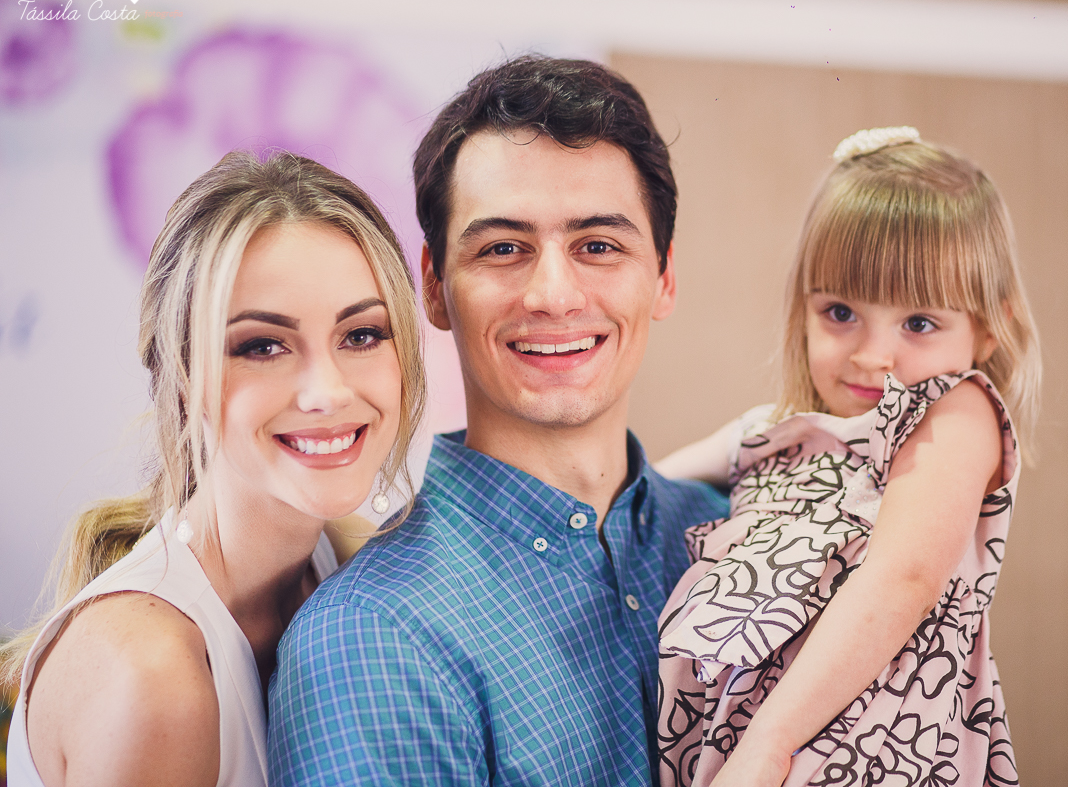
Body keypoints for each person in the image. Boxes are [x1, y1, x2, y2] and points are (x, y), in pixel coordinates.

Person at [267, 55, 728, 786]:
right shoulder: (375, 640)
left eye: (598, 246)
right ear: (435, 287)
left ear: (664, 276)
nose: (552, 294)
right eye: (503, 249)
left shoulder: (735, 539)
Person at [0, 150, 425, 787]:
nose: (326, 392)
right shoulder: (149, 675)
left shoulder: (347, 560)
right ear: (182, 377)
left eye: (361, 335)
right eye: (263, 345)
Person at [654, 127, 1041, 787]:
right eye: (840, 312)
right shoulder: (775, 431)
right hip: (728, 750)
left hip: (873, 749)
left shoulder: (956, 410)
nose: (872, 355)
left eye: (919, 323)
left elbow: (905, 578)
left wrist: (769, 744)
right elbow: (641, 485)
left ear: (988, 327)